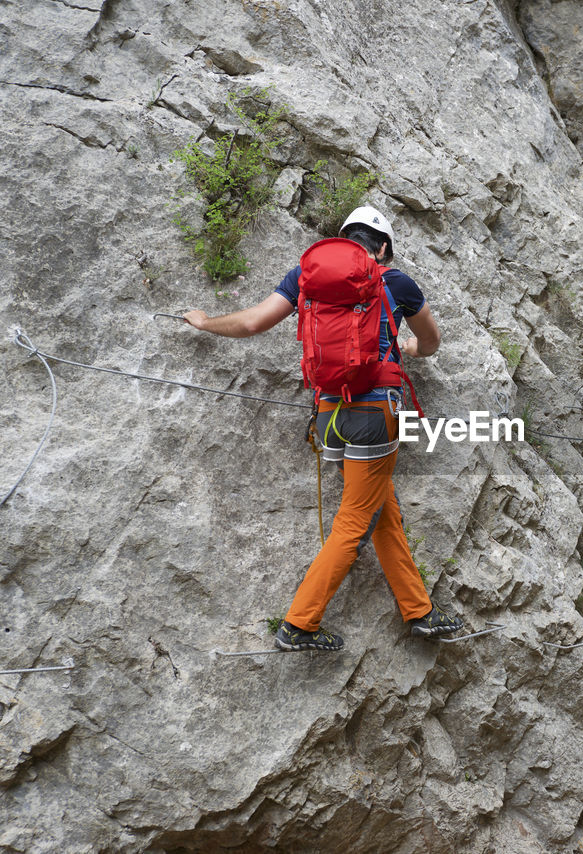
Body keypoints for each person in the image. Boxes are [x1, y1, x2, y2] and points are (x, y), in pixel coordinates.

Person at [184, 206, 464, 649]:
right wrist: (408, 346)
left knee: (379, 507)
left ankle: (420, 612)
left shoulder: (307, 278)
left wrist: (204, 322)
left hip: (330, 416)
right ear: (384, 247)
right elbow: (430, 343)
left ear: (342, 241)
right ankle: (299, 624)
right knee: (355, 519)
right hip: (376, 415)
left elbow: (253, 321)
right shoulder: (396, 282)